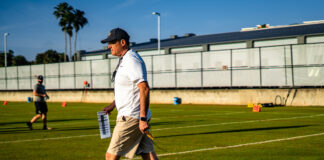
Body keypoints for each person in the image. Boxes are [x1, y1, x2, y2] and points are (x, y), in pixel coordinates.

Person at [101, 28, 159, 160]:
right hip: (134, 116)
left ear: (122, 42)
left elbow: (144, 88)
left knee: (110, 156)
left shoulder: (131, 60)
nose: (108, 46)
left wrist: (142, 119)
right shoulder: (124, 60)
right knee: (148, 154)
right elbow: (128, 91)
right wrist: (112, 105)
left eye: (112, 42)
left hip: (131, 117)